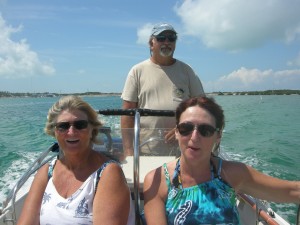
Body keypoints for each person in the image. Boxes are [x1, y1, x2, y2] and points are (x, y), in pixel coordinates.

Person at [143, 96, 300, 224]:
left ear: (218, 136)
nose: (194, 137)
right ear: (176, 132)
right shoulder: (157, 182)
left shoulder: (232, 174)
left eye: (206, 130)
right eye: (186, 128)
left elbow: (291, 191)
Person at [17, 95, 135, 225]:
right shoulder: (47, 172)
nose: (72, 132)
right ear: (54, 131)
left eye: (80, 125)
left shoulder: (108, 174)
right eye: (63, 126)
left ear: (92, 130)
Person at [121, 22, 205, 157]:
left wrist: (183, 127)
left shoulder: (187, 71)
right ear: (151, 43)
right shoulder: (137, 71)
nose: (167, 42)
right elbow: (127, 113)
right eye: (161, 38)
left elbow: (202, 107)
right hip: (147, 149)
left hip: (183, 149)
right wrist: (129, 150)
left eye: (171, 38)